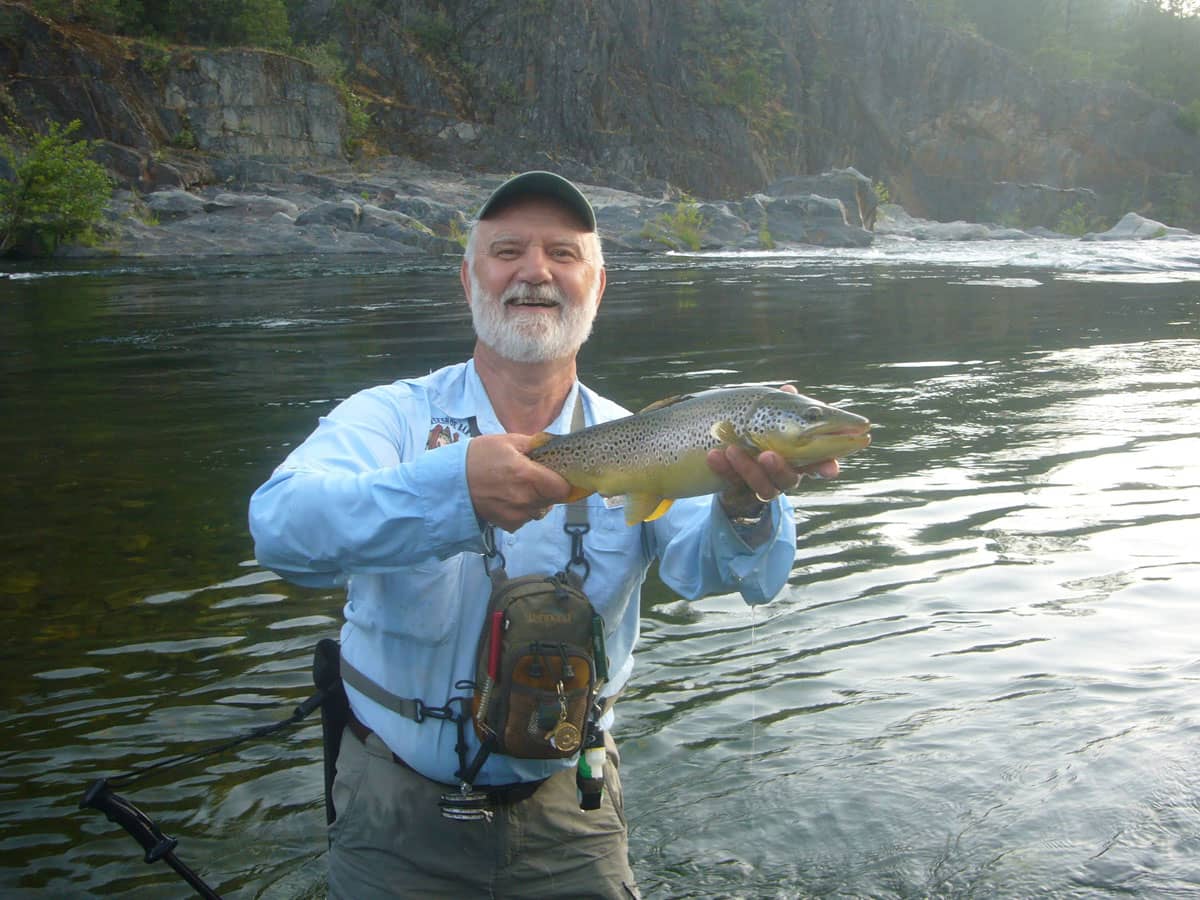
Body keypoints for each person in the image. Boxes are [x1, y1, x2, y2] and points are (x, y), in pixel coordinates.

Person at [248, 171, 839, 898]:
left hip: (574, 812)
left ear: (598, 284)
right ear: (468, 277)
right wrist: (451, 491)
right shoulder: (388, 419)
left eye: (563, 253)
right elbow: (280, 530)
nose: (535, 271)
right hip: (390, 813)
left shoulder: (654, 439)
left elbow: (721, 572)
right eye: (507, 252)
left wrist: (746, 508)